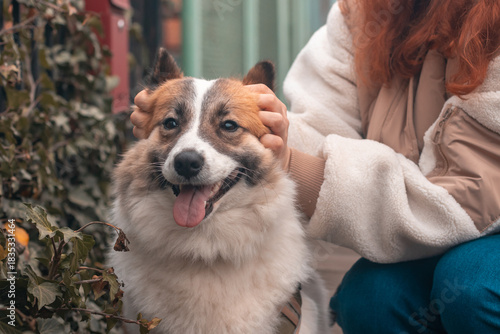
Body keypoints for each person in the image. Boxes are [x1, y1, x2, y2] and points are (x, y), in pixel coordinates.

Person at [131, 0, 500, 332]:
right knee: (368, 298)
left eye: (227, 127)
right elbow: (321, 127)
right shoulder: (363, 14)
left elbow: (465, 199)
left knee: (470, 285)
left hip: (484, 226)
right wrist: (276, 134)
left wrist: (290, 162)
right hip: (431, 230)